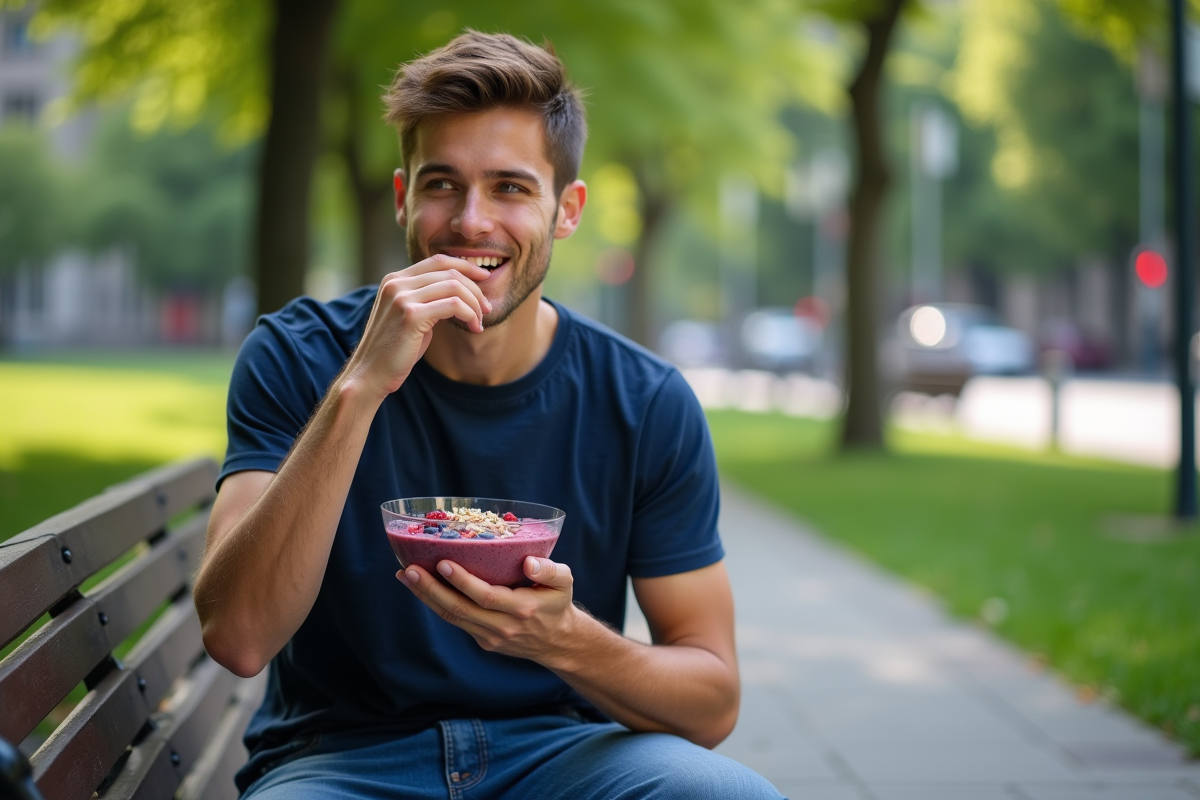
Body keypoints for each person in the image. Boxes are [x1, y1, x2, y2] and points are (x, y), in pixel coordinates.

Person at [194, 30, 783, 800]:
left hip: (567, 754)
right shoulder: (299, 357)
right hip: (342, 761)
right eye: (442, 184)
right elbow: (237, 638)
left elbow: (713, 701)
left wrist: (565, 642)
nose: (472, 222)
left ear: (565, 210)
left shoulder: (644, 401)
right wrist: (361, 387)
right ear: (404, 197)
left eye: (510, 187)